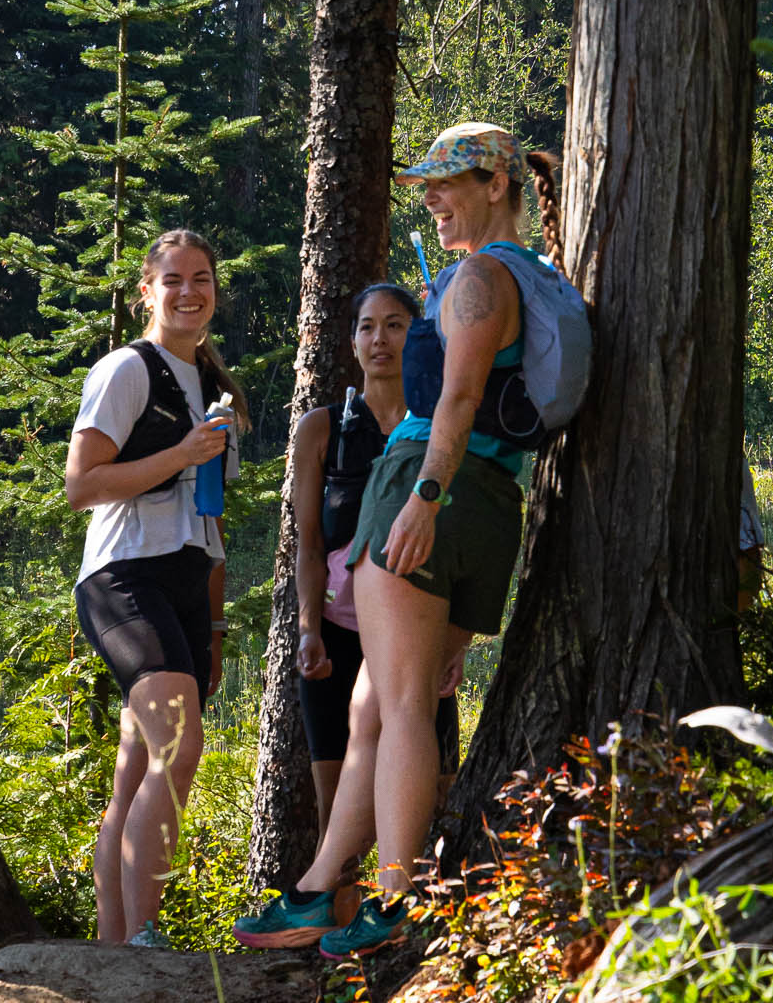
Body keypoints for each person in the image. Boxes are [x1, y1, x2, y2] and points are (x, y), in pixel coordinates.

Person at [234, 122, 573, 960]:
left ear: (498, 185)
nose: (430, 197)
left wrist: (421, 498)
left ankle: (391, 898)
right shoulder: (536, 274)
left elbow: (455, 399)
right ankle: (318, 888)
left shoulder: (477, 279)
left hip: (429, 480)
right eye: (426, 183)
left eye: (447, 182)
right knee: (373, 707)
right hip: (492, 500)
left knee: (404, 705)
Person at [65, 228, 245, 947]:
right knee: (179, 745)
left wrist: (217, 626)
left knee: (138, 765)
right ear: (147, 291)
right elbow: (82, 486)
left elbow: (211, 518)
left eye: (201, 278)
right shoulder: (127, 370)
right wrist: (180, 452)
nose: (189, 292)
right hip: (123, 577)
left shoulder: (216, 386)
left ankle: (113, 950)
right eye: (172, 280)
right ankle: (147, 937)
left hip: (185, 584)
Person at [290, 283, 459, 840]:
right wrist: (308, 629)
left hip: (417, 638)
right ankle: (328, 923)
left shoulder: (442, 431)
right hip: (337, 644)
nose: (379, 338)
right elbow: (310, 546)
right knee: (335, 812)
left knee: (431, 809)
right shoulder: (324, 429)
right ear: (353, 341)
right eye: (367, 326)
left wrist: (456, 641)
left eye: (395, 324)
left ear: (418, 337)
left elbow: (461, 542)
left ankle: (410, 926)